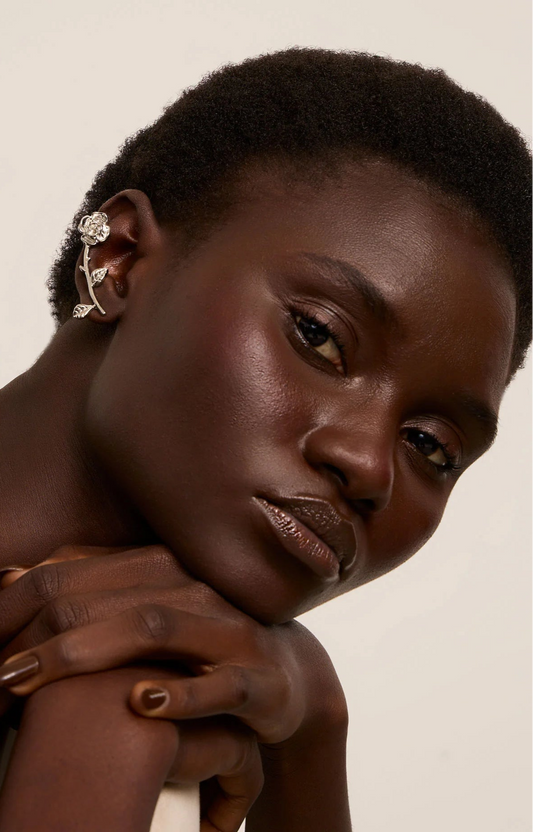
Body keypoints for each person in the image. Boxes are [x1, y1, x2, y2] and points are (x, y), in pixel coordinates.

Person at [0, 46, 531, 831]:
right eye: (319, 337)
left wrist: (310, 741)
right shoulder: (137, 716)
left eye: (431, 446)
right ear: (117, 261)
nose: (367, 465)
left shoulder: (220, 726)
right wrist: (98, 750)